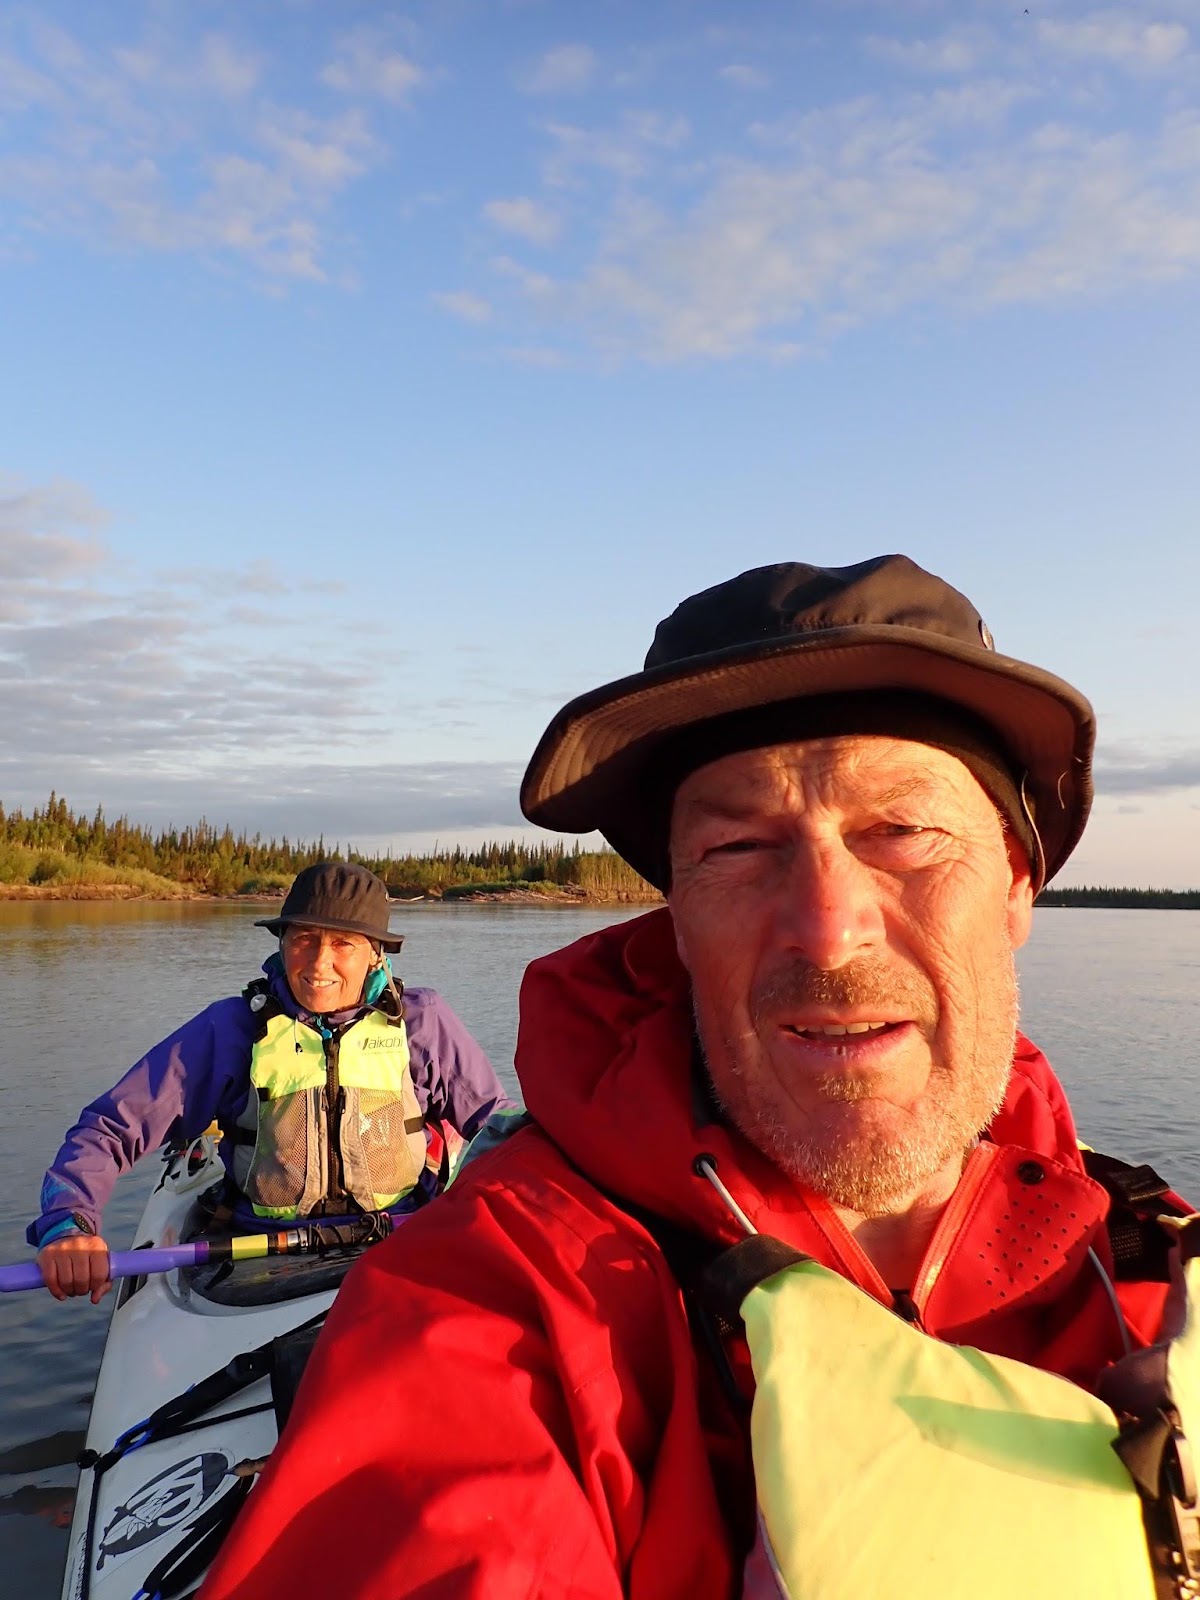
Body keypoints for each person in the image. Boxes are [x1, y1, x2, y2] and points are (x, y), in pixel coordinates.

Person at [200, 558, 1198, 1600]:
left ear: (1018, 887)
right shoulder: (503, 1300)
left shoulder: (1153, 1258)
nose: (828, 927)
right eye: (738, 846)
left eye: (902, 831)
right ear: (676, 918)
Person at [29, 860, 514, 1301]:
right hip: (261, 1254)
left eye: (343, 943)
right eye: (304, 938)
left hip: (402, 1239)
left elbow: (500, 1125)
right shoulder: (232, 1029)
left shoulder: (422, 1022)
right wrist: (69, 1223)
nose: (319, 962)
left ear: (376, 954)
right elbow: (110, 1127)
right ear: (283, 944)